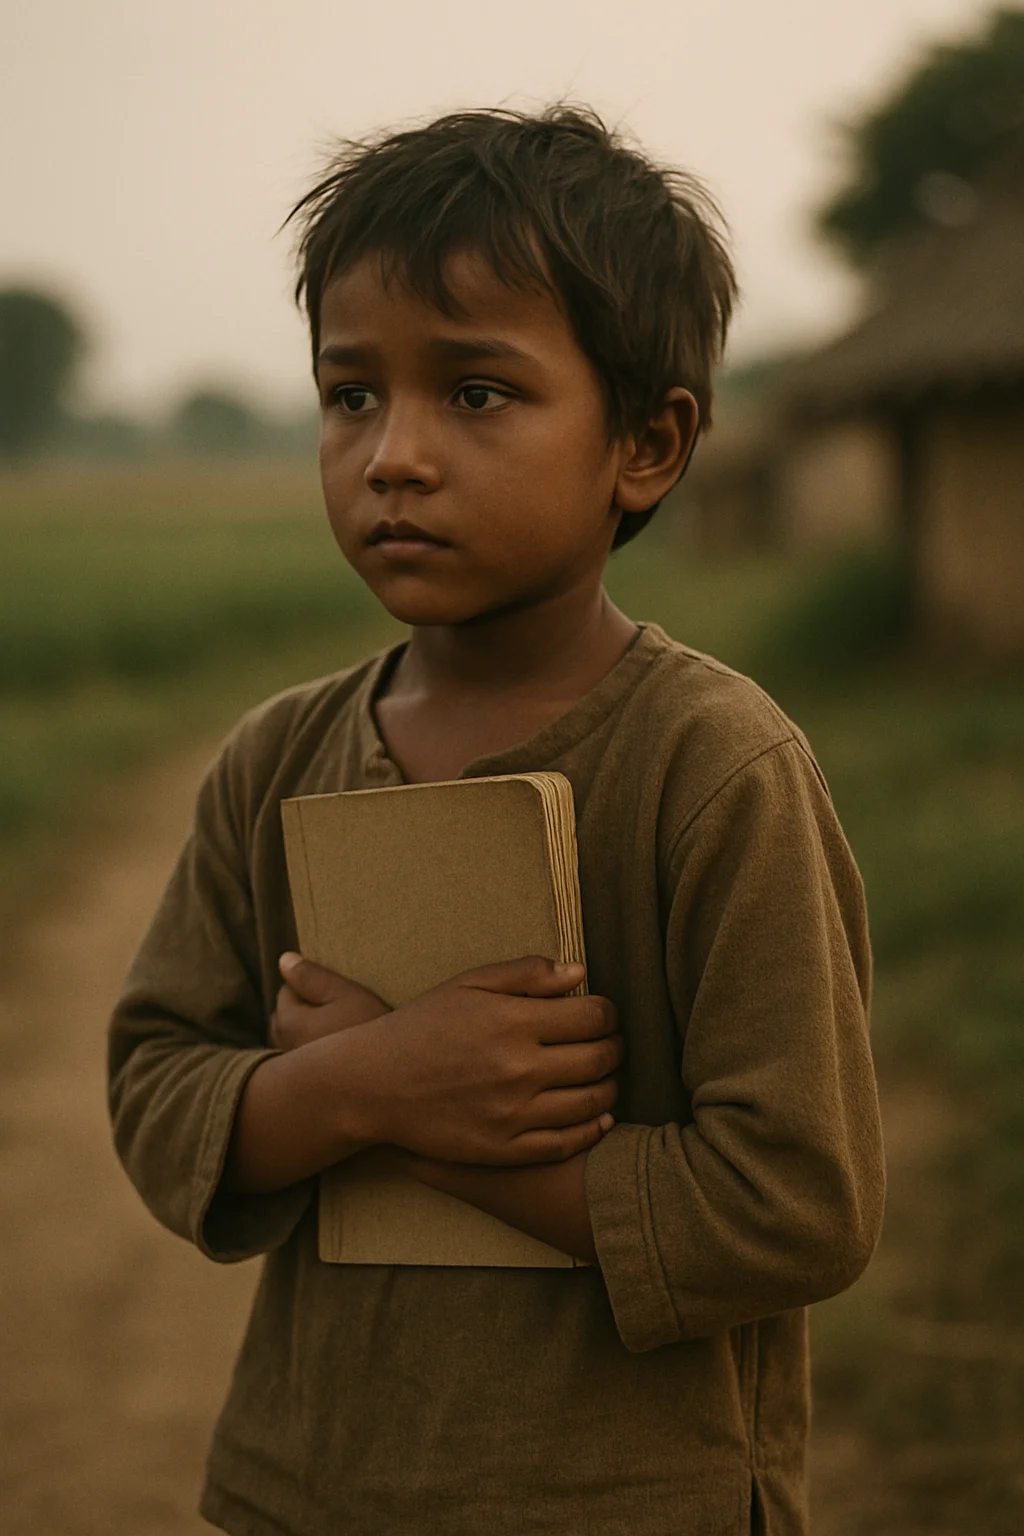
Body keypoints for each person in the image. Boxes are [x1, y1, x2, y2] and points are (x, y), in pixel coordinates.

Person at [108, 105, 885, 1535]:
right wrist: (366, 1086)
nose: (392, 454)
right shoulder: (274, 761)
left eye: (475, 393)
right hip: (308, 1487)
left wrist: (419, 1128)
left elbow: (795, 1201)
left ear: (646, 447)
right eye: (352, 396)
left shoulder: (711, 770)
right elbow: (155, 1089)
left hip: (629, 1501)